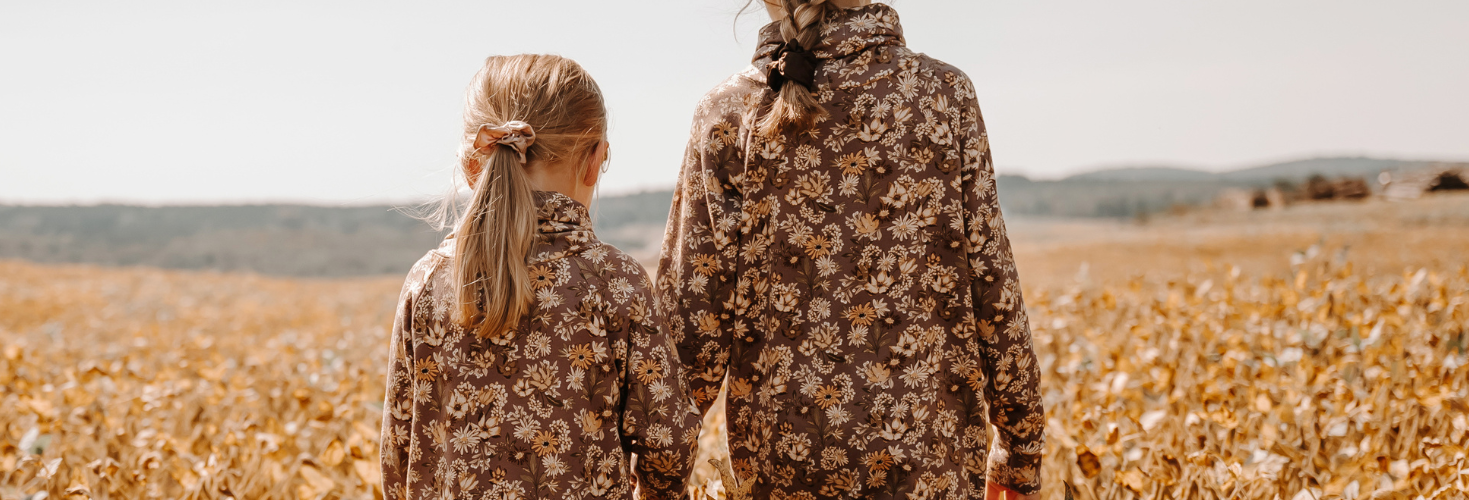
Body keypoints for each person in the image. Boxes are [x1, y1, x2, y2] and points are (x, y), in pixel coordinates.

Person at [654, 1, 1047, 499]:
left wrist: (657, 476)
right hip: (934, 469)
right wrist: (1019, 452)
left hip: (781, 474)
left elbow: (691, 326)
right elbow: (994, 286)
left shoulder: (727, 111)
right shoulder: (943, 95)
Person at [380, 54, 701, 500]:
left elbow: (400, 452)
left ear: (476, 165)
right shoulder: (615, 281)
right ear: (595, 160)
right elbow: (668, 444)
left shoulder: (428, 281)